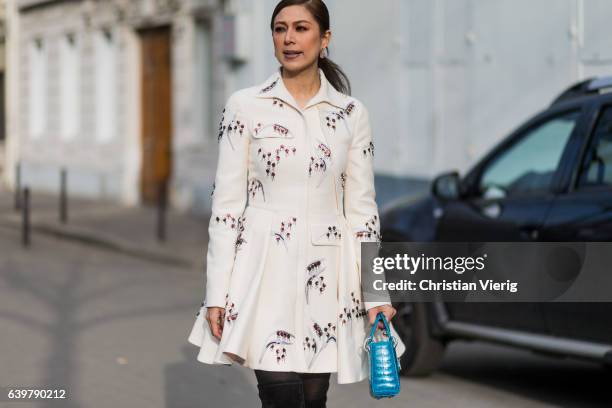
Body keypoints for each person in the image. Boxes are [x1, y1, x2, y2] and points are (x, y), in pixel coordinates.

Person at [188, 0, 406, 406]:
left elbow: (363, 212)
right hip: (264, 268)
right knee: (280, 393)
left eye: (301, 28)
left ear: (324, 39)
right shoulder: (245, 106)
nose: (289, 38)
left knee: (313, 395)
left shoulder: (351, 114)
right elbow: (227, 208)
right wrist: (216, 293)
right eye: (279, 28)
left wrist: (376, 296)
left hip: (328, 272)